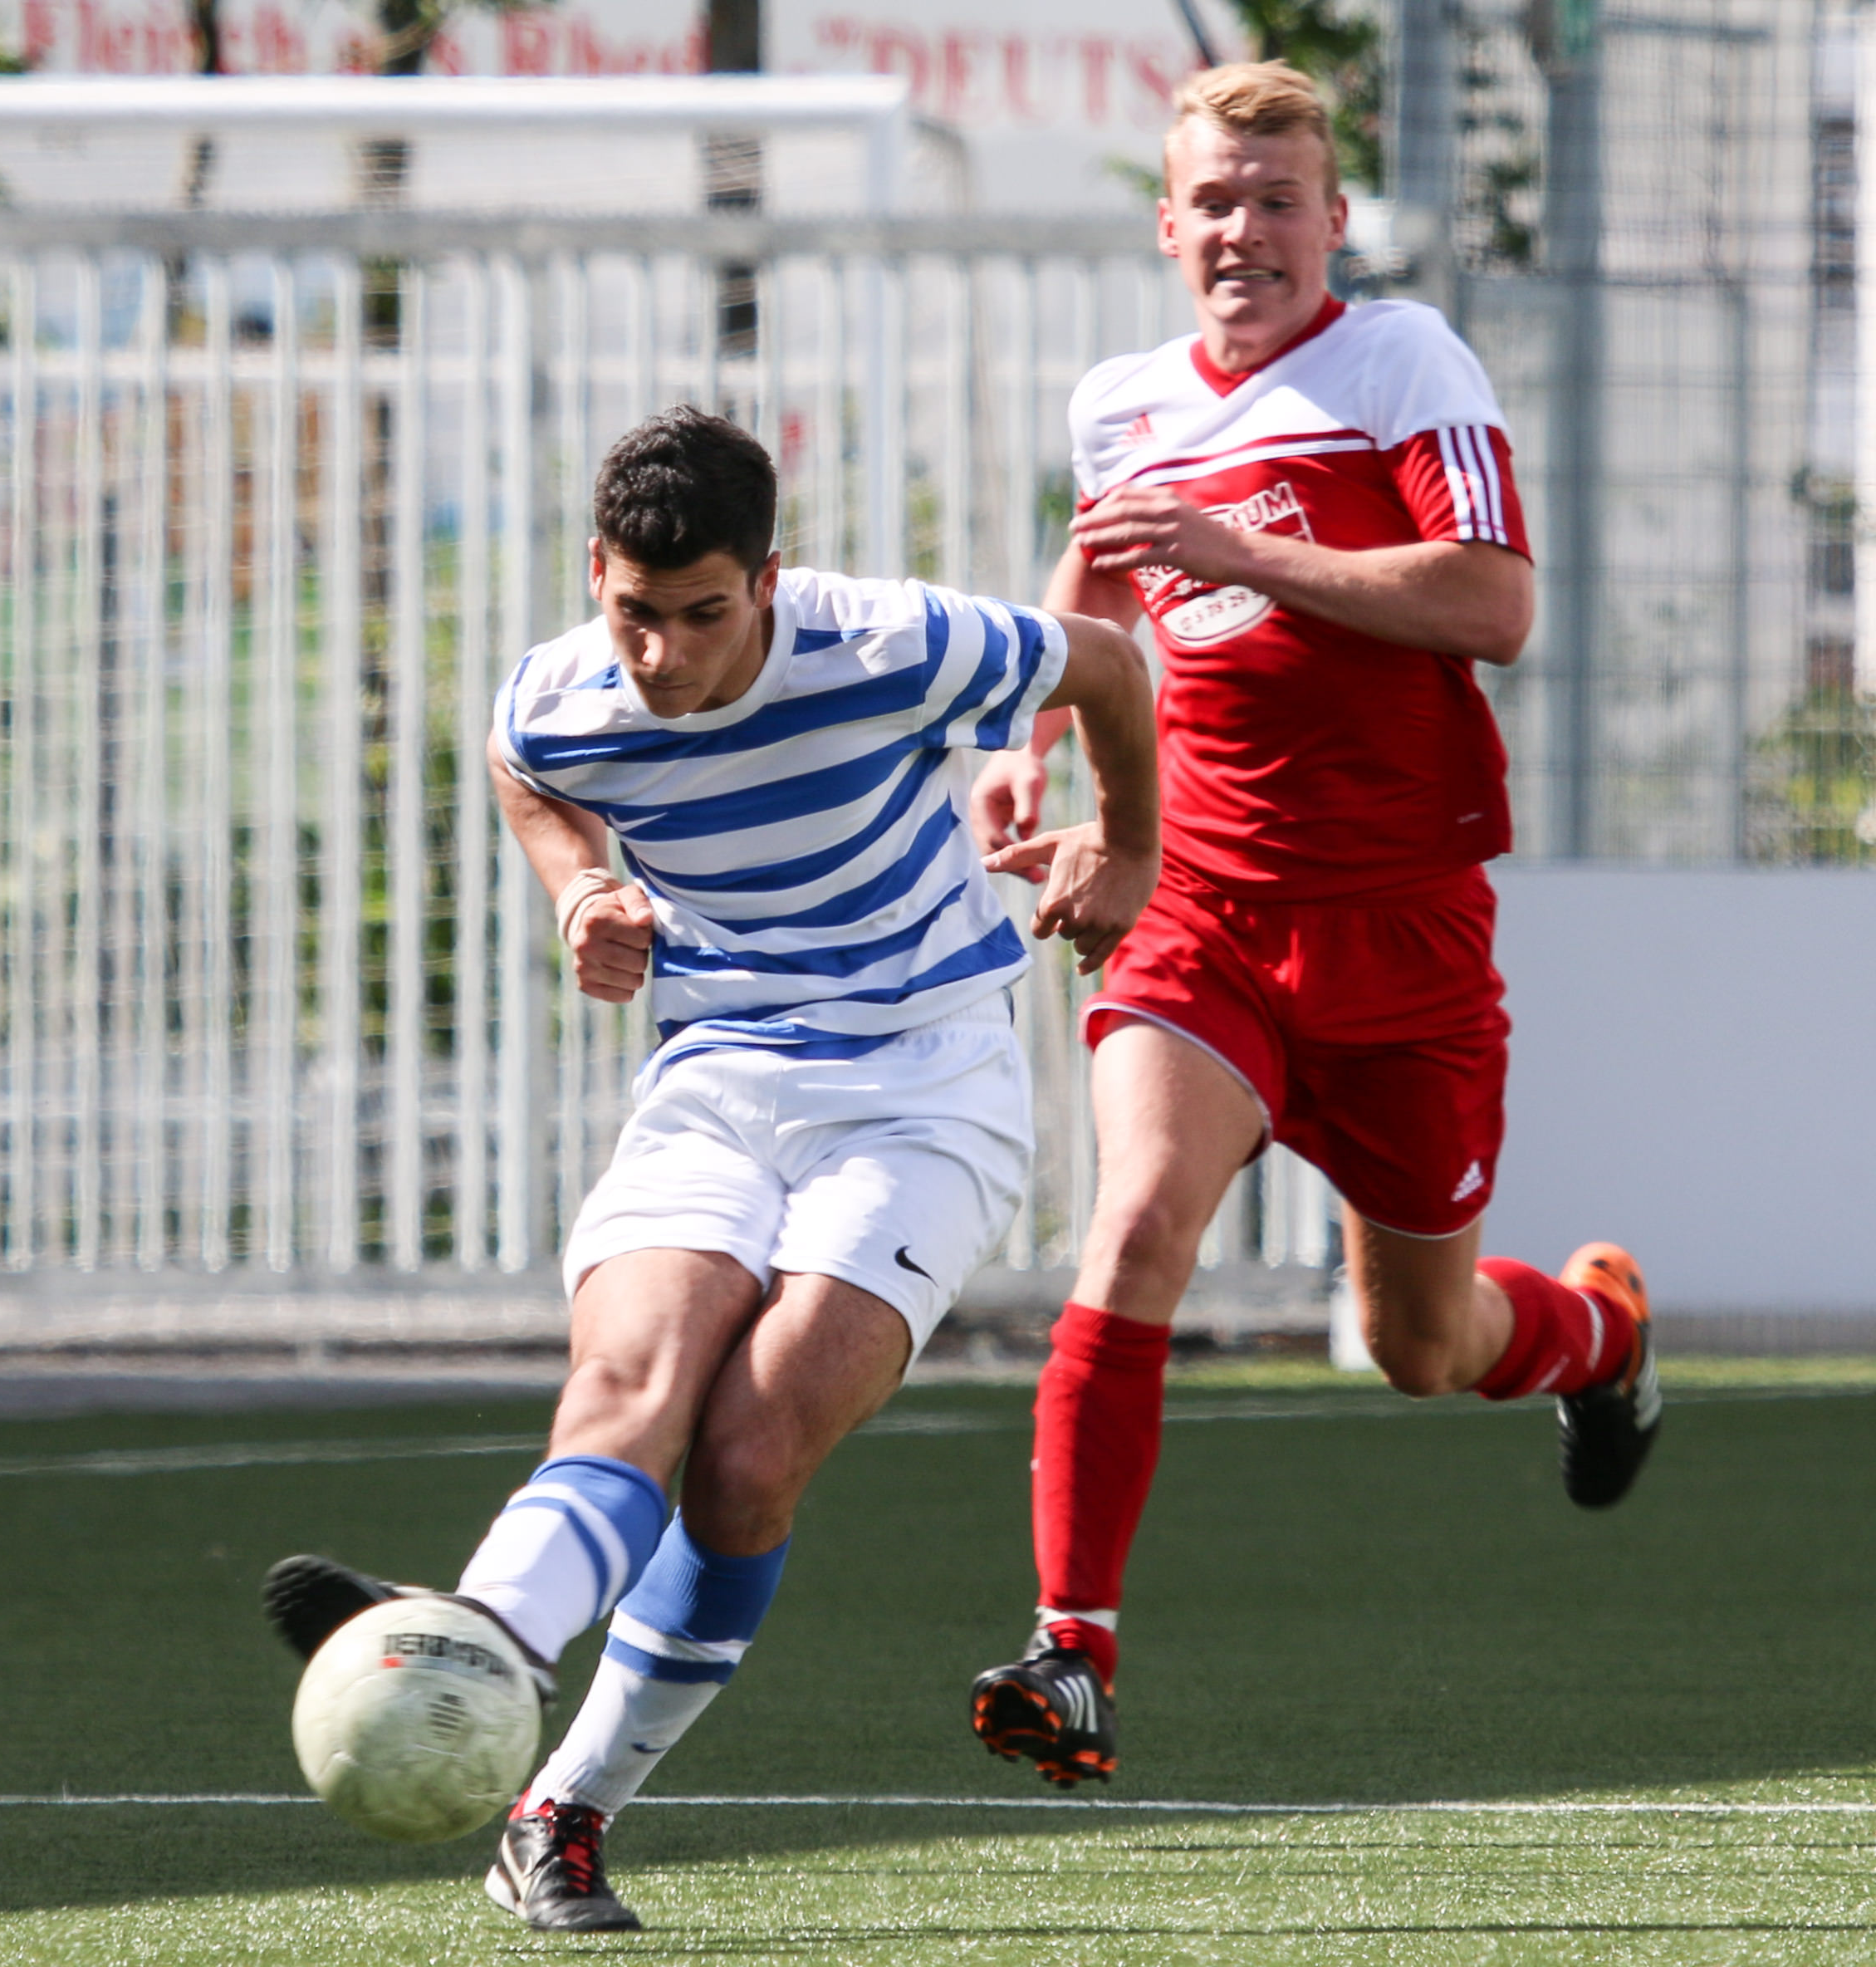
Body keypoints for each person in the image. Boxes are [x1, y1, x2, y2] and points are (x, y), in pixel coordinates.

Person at [262, 405, 1161, 1930]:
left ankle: (562, 1804)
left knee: (749, 1456)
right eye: (635, 612)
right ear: (595, 572)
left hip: (921, 1089)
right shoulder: (560, 696)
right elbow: (526, 775)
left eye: (702, 615)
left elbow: (1114, 665)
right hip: (717, 1079)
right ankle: (490, 1641)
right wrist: (581, 891)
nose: (662, 654)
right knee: (630, 1385)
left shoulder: (892, 646)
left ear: (769, 582)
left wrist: (1129, 845)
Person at [962, 61, 1663, 1793]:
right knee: (1135, 1223)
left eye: (1277, 199)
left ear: (1332, 220)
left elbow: (1494, 602)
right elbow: (1104, 575)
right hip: (1200, 909)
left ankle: (1600, 1334)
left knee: (1426, 1347)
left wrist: (1248, 553)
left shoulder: (1403, 360)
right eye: (1214, 200)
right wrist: (1027, 733)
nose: (1245, 231)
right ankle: (1073, 1652)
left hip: (1402, 935)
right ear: (1168, 223)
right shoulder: (1122, 402)